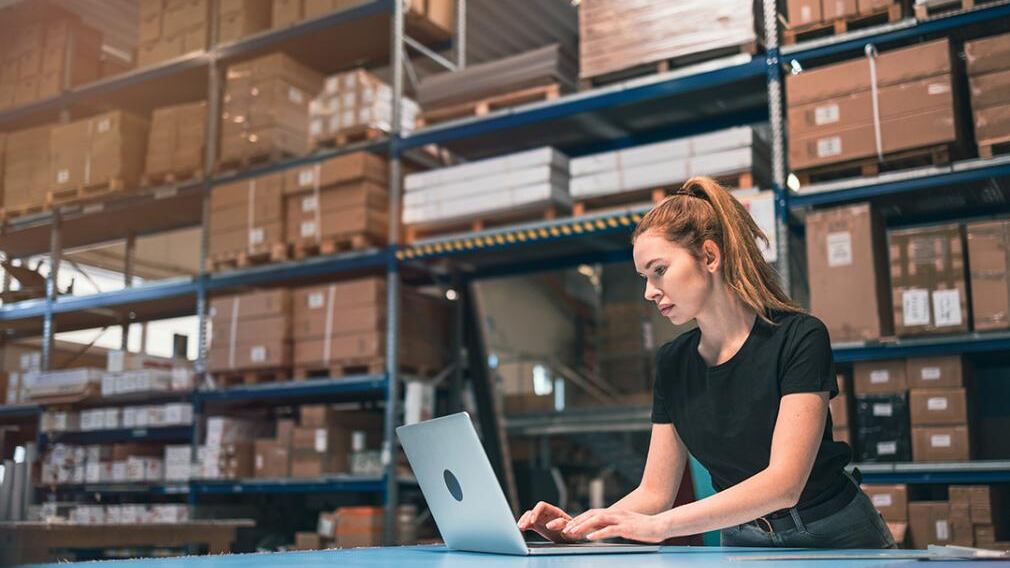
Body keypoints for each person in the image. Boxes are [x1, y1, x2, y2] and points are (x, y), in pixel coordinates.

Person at [516, 176, 896, 549]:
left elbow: (785, 483)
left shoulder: (800, 337)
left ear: (709, 256)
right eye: (644, 277)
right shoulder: (673, 363)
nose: (650, 292)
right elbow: (654, 492)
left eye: (659, 270)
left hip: (834, 534)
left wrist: (661, 526)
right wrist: (579, 529)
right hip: (745, 539)